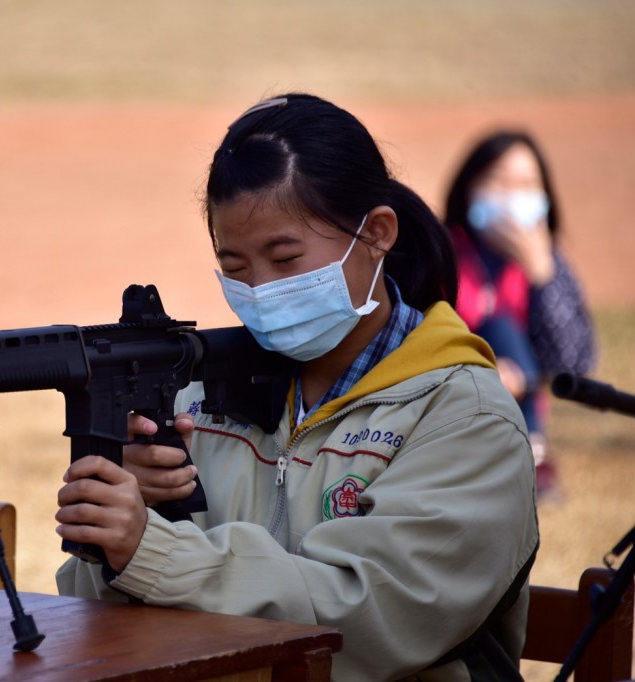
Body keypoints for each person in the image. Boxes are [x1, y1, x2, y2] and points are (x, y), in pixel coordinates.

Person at [55, 93, 539, 681]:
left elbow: (367, 616)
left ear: (376, 234)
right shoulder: (195, 402)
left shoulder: (465, 416)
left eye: (285, 259)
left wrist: (152, 551)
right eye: (235, 269)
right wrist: (123, 509)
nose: (260, 290)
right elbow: (94, 622)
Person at [443, 130, 596, 497]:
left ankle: (531, 452)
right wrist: (480, 369)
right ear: (469, 187)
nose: (512, 196)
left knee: (503, 326)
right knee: (493, 326)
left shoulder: (552, 265)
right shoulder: (442, 252)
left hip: (521, 399)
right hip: (453, 396)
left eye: (526, 184)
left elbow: (574, 365)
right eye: (499, 181)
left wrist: (542, 274)